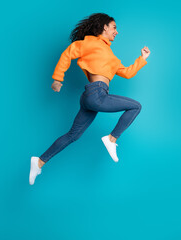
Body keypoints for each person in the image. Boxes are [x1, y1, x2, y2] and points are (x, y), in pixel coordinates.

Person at [29, 13, 151, 185]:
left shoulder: (110, 55)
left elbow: (127, 73)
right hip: (97, 94)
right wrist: (58, 78)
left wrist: (142, 59)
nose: (117, 31)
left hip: (90, 98)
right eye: (114, 27)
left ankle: (40, 161)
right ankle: (111, 139)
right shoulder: (89, 43)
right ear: (104, 26)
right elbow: (68, 53)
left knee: (73, 135)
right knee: (135, 106)